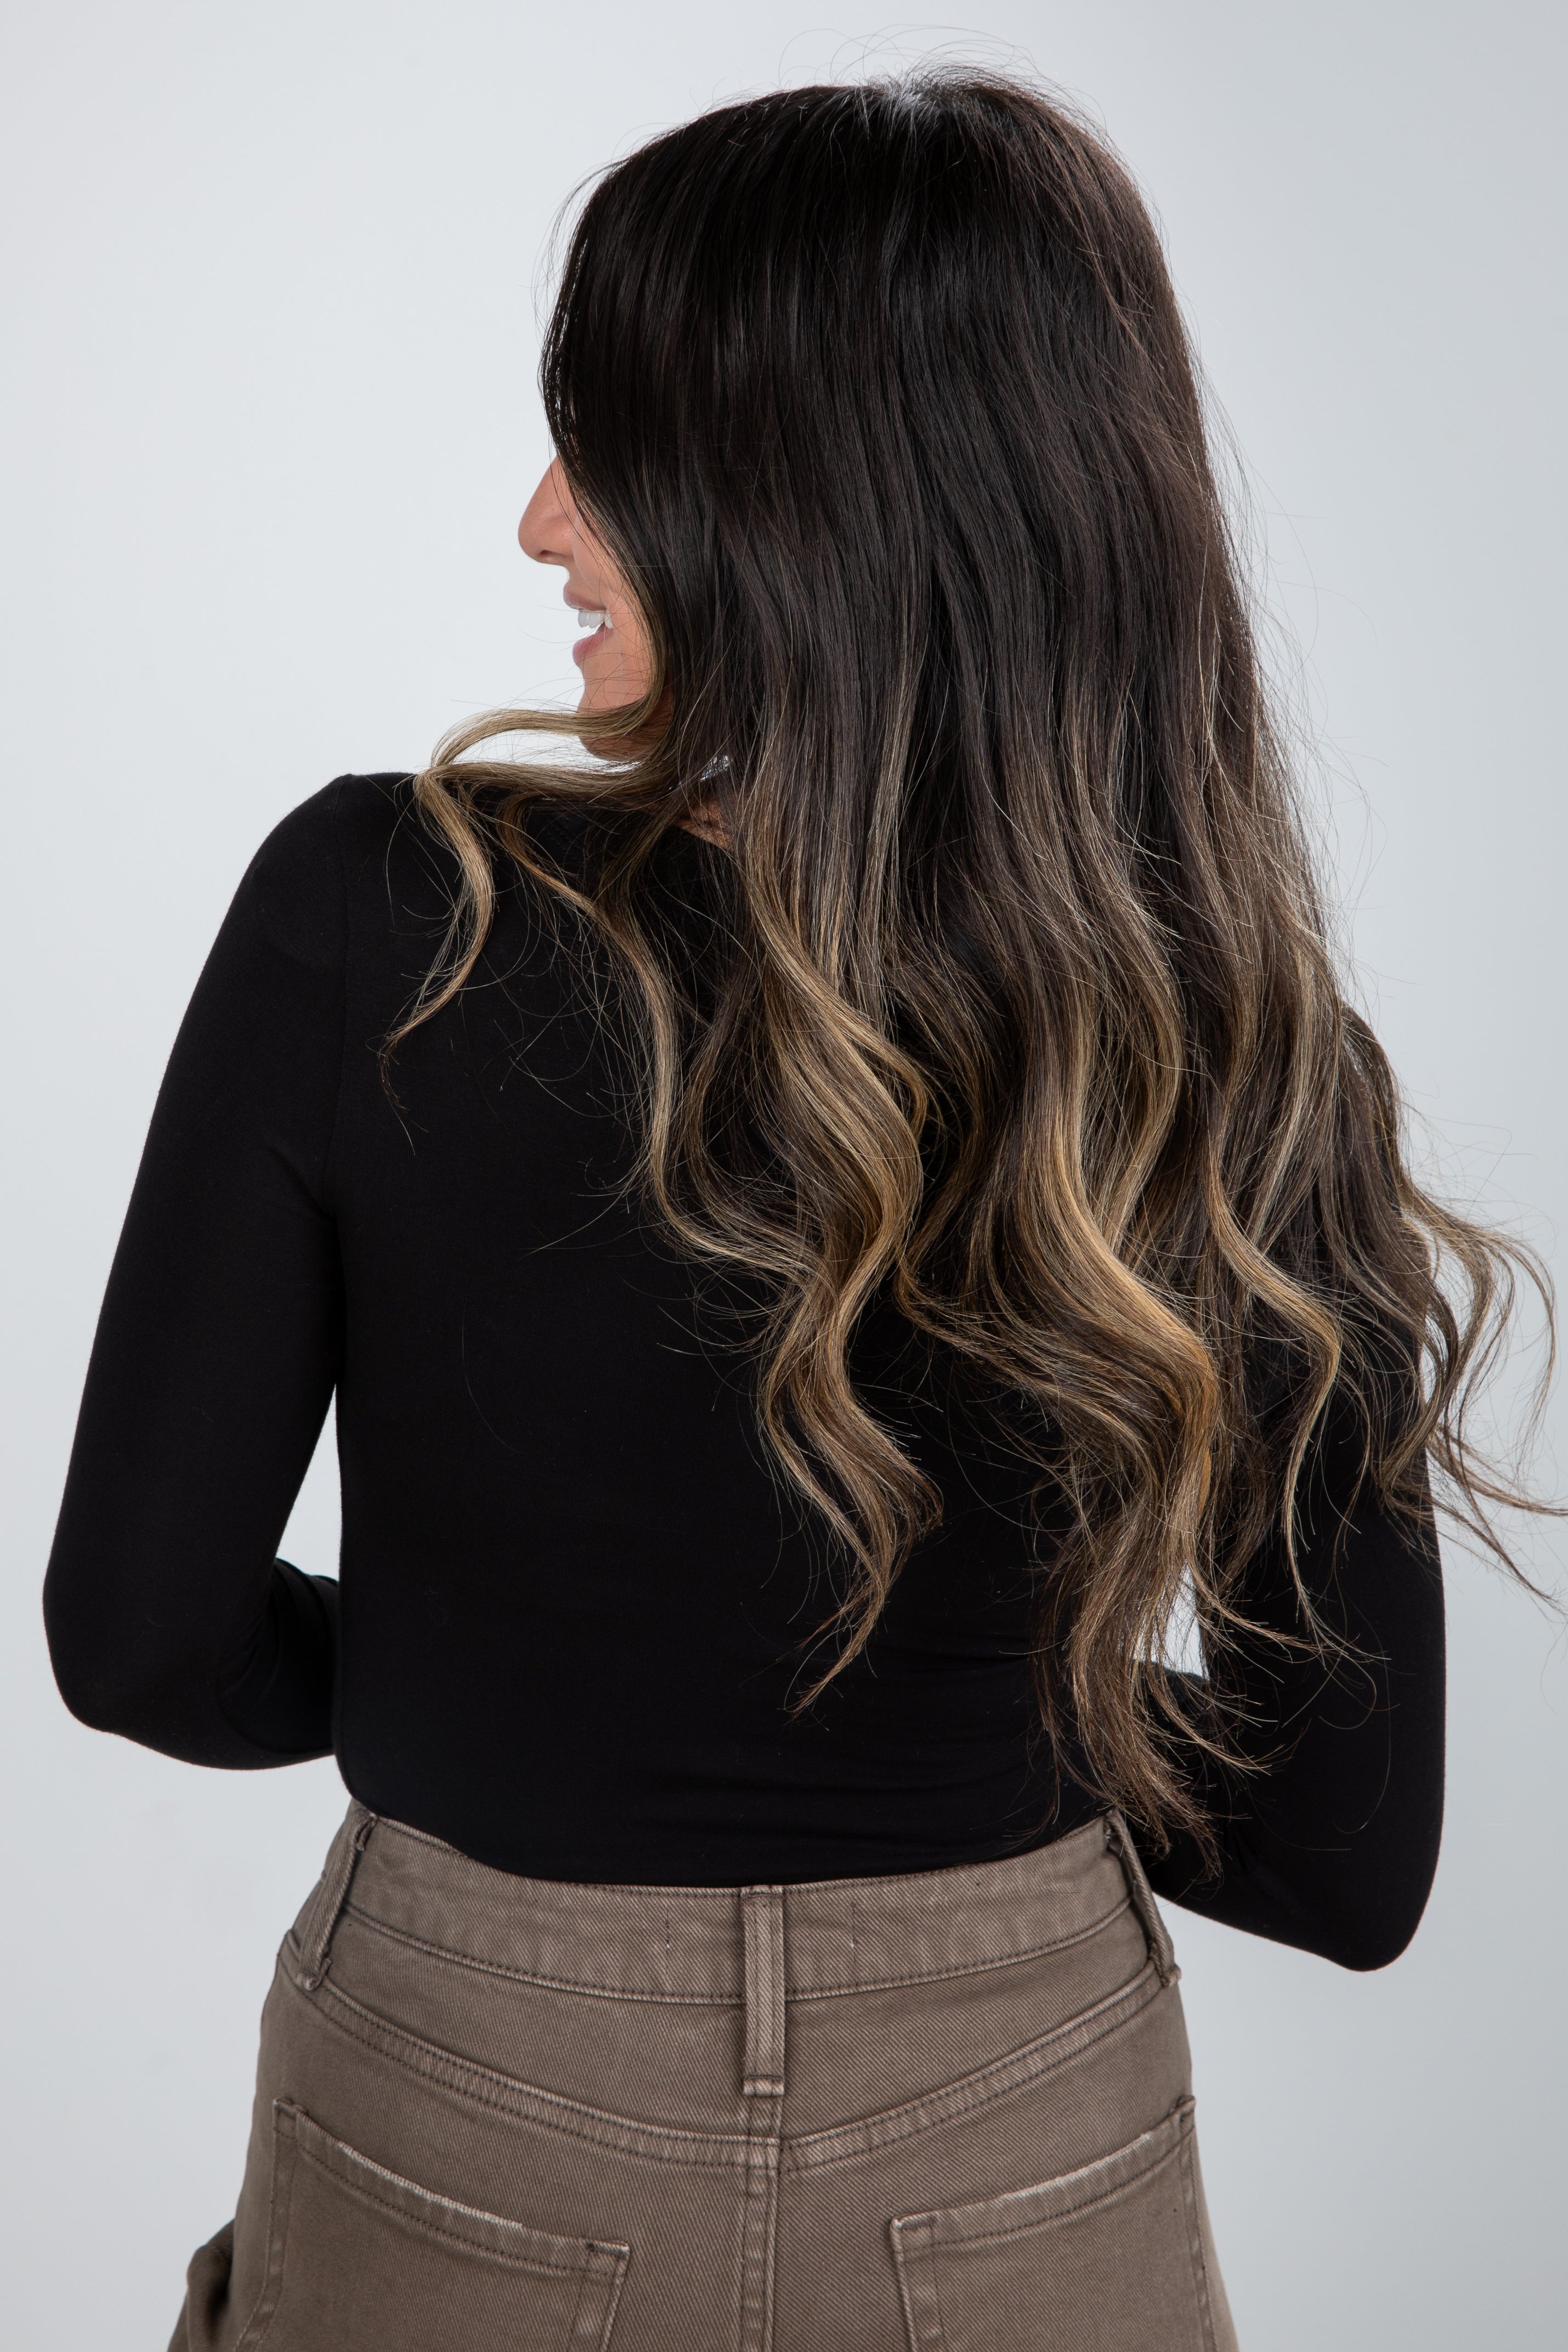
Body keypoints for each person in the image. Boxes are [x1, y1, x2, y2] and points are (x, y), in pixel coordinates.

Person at [42, 71, 1548, 2352]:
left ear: (817, 506)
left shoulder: (385, 912)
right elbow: (1342, 1856)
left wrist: (511, 1692)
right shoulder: (1231, 1040)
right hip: (1015, 2101)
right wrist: (955, 1745)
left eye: (609, 449)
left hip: (476, 2083)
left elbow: (137, 1636)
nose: (543, 520)